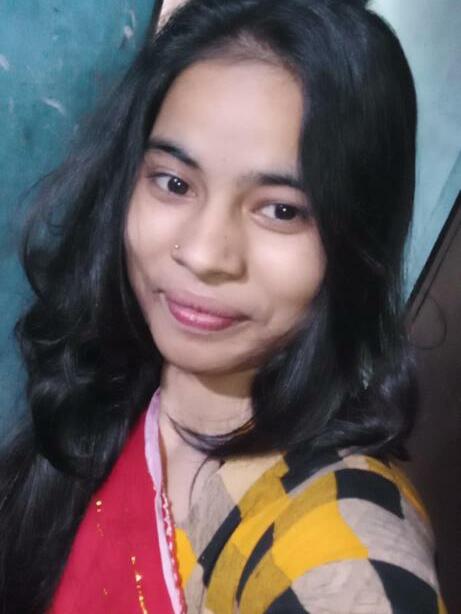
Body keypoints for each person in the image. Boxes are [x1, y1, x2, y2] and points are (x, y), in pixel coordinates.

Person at [0, 0, 446, 612]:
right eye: (174, 182)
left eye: (281, 210)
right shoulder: (116, 386)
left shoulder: (331, 529)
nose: (205, 254)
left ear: (358, 238)